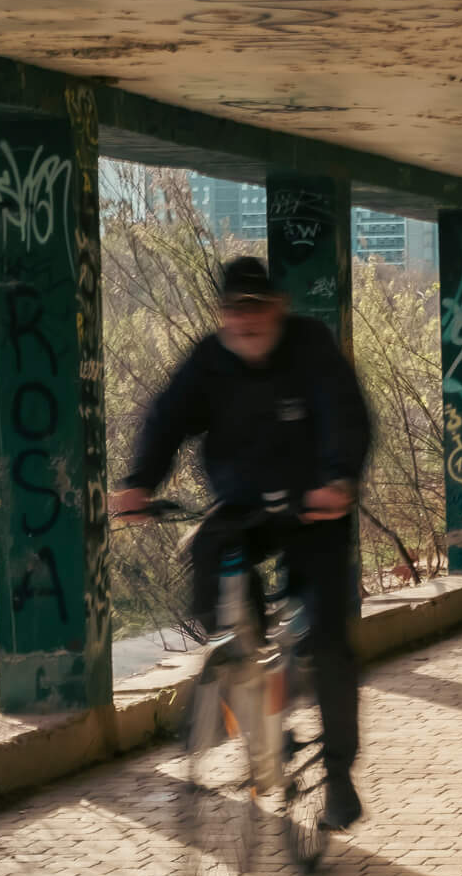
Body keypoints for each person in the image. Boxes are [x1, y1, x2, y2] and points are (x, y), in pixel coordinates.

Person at [108, 257, 374, 830]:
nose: (245, 320)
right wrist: (138, 482)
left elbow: (345, 415)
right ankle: (252, 691)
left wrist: (338, 479)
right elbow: (167, 417)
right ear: (220, 313)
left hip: (314, 509)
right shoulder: (210, 360)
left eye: (255, 308)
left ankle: (338, 775)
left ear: (278, 307)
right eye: (233, 309)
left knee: (329, 636)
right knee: (208, 570)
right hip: (242, 507)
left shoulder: (310, 347)